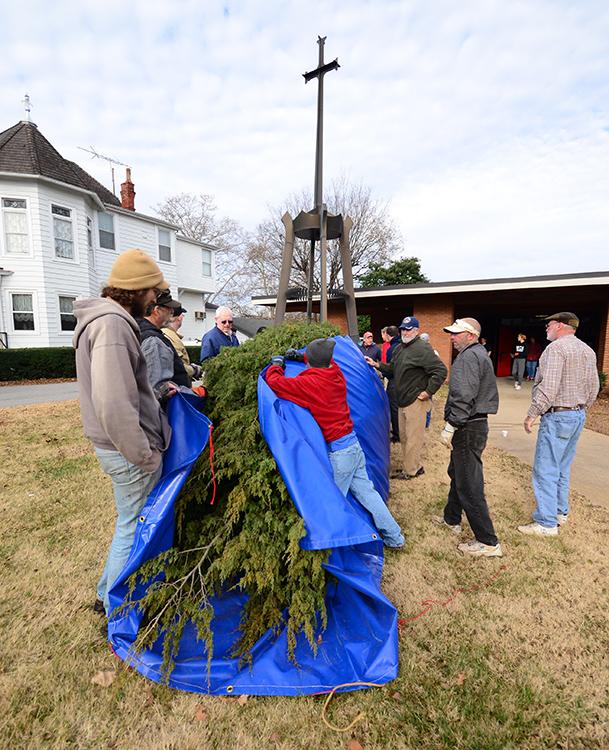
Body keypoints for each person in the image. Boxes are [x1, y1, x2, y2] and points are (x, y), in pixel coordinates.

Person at [72, 248, 174, 616]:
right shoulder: (113, 326)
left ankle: (105, 594)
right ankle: (117, 609)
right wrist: (143, 454)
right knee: (133, 526)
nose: (154, 299)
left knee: (128, 522)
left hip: (121, 447)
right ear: (135, 290)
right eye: (151, 292)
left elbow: (127, 384)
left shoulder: (108, 321)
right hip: (129, 451)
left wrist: (159, 392)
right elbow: (114, 403)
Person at [264, 338, 404, 548]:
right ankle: (395, 537)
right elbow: (327, 363)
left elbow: (276, 384)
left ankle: (336, 547)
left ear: (310, 362)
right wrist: (302, 357)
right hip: (353, 445)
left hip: (341, 452)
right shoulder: (336, 374)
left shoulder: (311, 383)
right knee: (368, 493)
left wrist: (276, 366)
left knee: (332, 500)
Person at [519, 312, 598, 537]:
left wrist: (532, 413)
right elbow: (594, 387)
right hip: (577, 414)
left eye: (549, 324)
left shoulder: (555, 349)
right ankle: (560, 511)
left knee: (545, 469)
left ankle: (546, 523)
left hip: (558, 416)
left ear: (561, 326)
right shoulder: (587, 350)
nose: (546, 327)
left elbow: (549, 387)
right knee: (562, 466)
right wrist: (581, 408)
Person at [435, 318, 502, 558]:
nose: (451, 338)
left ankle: (487, 541)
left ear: (471, 335)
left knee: (469, 484)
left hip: (467, 427)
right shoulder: (478, 353)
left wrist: (451, 426)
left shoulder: (468, 357)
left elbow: (464, 395)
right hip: (474, 425)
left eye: (456, 334)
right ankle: (451, 519)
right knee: (458, 473)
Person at [366, 316, 447, 480]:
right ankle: (411, 466)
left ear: (416, 331)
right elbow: (393, 369)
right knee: (404, 437)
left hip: (415, 402)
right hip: (402, 400)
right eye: (403, 329)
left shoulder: (423, 348)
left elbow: (440, 371)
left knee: (413, 439)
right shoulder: (400, 348)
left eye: (408, 329)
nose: (405, 332)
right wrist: (377, 365)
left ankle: (412, 471)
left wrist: (427, 392)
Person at [139, 291, 193, 395]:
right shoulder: (153, 340)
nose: (172, 312)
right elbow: (154, 387)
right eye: (169, 309)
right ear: (157, 310)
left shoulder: (144, 331)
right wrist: (164, 392)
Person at [162, 305, 202, 383]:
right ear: (179, 317)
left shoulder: (166, 334)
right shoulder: (172, 338)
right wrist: (194, 370)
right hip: (178, 385)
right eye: (182, 315)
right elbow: (178, 365)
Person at [385, 325, 401, 442]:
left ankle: (397, 434)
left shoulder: (392, 349)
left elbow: (391, 369)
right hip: (404, 381)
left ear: (387, 335)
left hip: (394, 381)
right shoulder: (402, 345)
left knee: (394, 409)